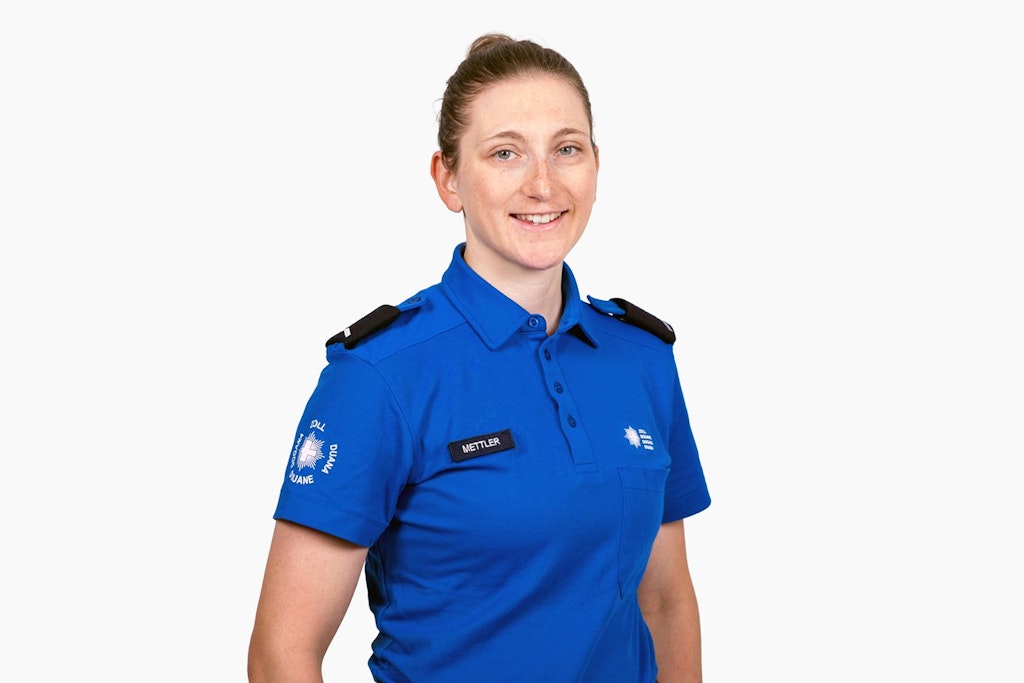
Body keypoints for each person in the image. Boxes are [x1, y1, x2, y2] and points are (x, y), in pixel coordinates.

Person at [248, 33, 711, 683]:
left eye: (567, 149)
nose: (543, 183)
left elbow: (664, 600)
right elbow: (282, 653)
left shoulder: (641, 358)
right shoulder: (380, 379)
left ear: (597, 167)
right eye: (505, 153)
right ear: (448, 178)